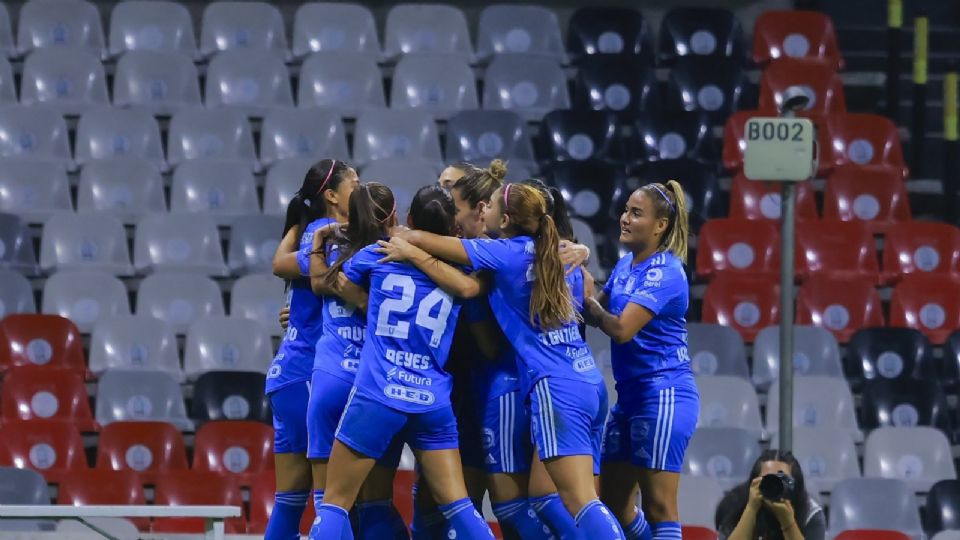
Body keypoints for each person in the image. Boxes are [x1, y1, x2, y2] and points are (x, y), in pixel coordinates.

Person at [382, 183, 625, 539]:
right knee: (556, 498)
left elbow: (433, 248)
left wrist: (404, 240)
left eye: (491, 206)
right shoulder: (561, 255)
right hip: (588, 379)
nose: (484, 211)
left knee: (578, 500)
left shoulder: (504, 254)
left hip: (553, 388)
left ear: (507, 219)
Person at [311, 185, 495, 540]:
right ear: (453, 229)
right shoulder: (460, 270)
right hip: (432, 401)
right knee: (460, 507)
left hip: (379, 393)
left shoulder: (378, 254)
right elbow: (474, 286)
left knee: (335, 503)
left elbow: (330, 281)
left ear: (409, 221)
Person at [581, 181, 698, 540]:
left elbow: (619, 328)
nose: (625, 219)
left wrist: (588, 301)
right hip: (632, 399)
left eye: (636, 213)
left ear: (660, 226)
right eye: (626, 210)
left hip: (663, 396)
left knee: (660, 507)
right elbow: (591, 310)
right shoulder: (626, 265)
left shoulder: (666, 272)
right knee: (614, 504)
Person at [307, 182, 408, 539]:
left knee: (329, 502)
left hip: (330, 377)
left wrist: (318, 245)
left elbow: (317, 284)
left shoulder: (334, 256)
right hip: (373, 385)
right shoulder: (395, 254)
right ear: (392, 214)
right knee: (375, 501)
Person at [266, 159, 358, 539]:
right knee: (330, 502)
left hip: (287, 375)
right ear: (332, 195)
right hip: (309, 375)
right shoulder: (332, 235)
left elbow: (281, 265)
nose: (362, 188)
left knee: (289, 501)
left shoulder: (314, 232)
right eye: (356, 182)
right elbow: (282, 267)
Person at [715, 450, 825, 540]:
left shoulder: (810, 513)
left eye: (783, 479)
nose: (775, 485)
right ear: (755, 481)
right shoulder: (734, 503)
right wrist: (751, 509)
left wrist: (788, 522)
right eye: (768, 479)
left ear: (796, 484)